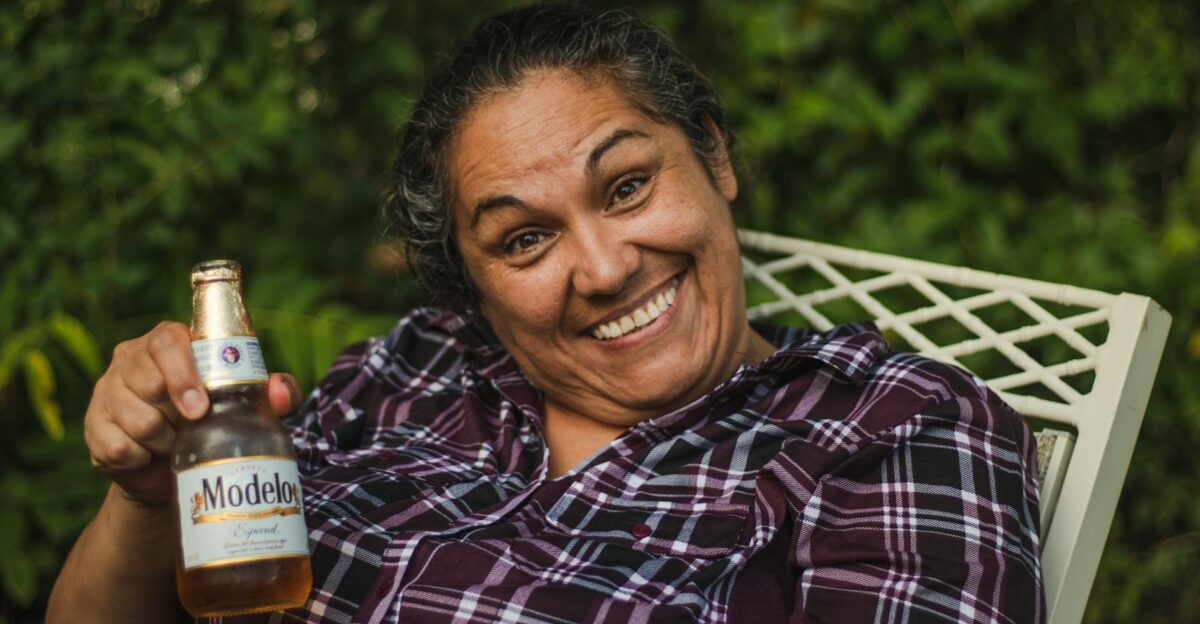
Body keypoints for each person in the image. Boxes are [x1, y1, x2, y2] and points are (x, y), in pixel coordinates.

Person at [48, 4, 1045, 623]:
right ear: (471, 287)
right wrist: (146, 500)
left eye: (626, 186)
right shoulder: (406, 373)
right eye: (524, 239)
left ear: (715, 157)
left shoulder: (887, 424)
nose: (606, 268)